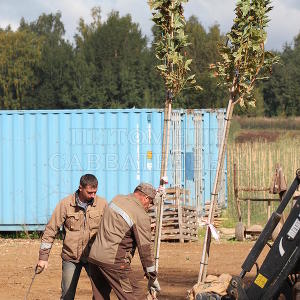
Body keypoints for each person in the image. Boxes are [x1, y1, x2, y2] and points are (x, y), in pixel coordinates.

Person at [37, 174, 107, 300]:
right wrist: (43, 257)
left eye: (95, 192)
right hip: (71, 257)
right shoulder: (65, 204)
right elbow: (50, 230)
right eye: (90, 192)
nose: (93, 196)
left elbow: (109, 231)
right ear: (81, 188)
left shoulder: (102, 204)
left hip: (93, 257)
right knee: (67, 296)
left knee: (101, 294)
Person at [88, 182, 160, 300]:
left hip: (95, 258)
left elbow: (118, 227)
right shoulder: (141, 214)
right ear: (146, 198)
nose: (150, 206)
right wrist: (152, 277)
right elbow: (145, 250)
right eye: (151, 202)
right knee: (135, 296)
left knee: (99, 297)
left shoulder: (118, 199)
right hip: (114, 262)